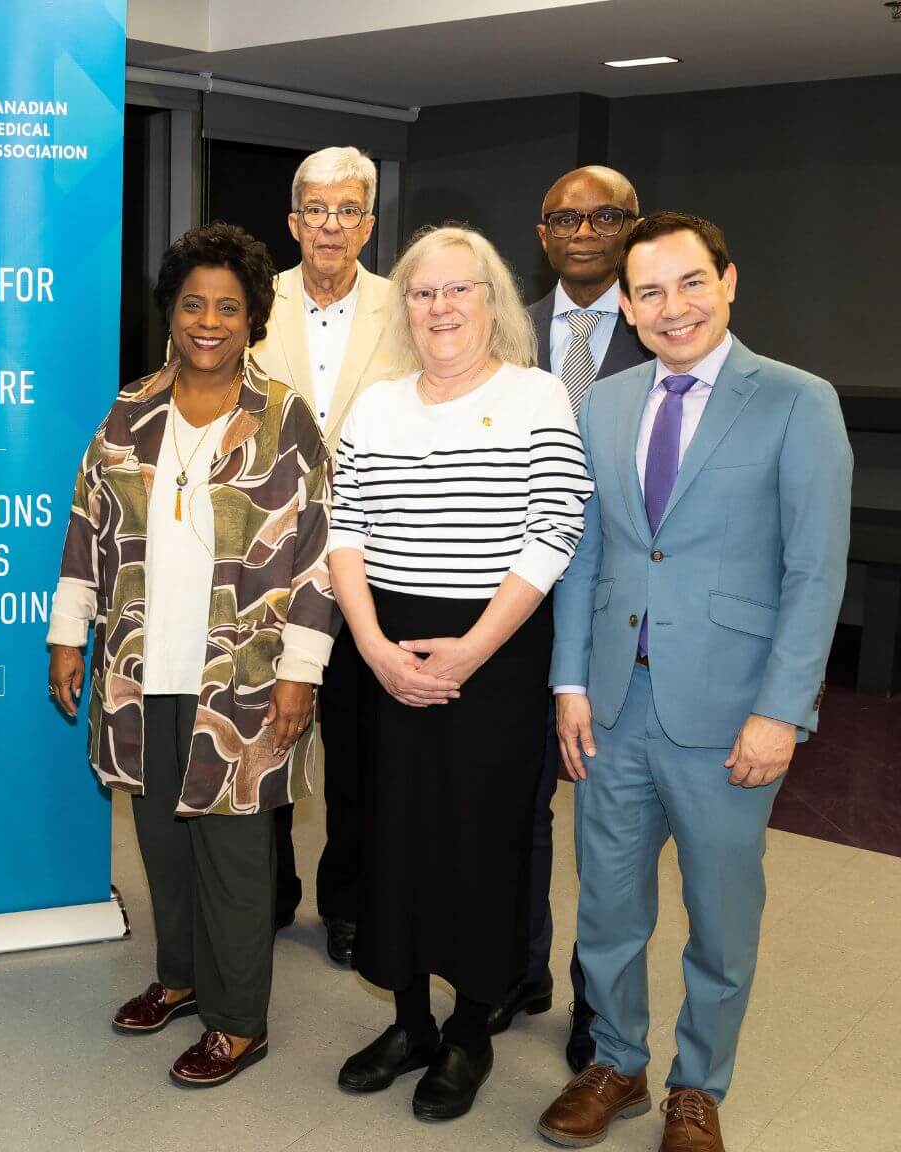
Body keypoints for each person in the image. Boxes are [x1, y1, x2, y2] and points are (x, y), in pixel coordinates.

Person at [537, 213, 852, 1152]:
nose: (672, 307)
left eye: (690, 284)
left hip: (729, 712)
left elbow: (816, 570)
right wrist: (567, 684)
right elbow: (584, 553)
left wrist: (781, 711)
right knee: (607, 906)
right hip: (612, 705)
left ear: (729, 282)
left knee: (720, 915)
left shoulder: (798, 400)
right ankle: (618, 1064)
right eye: (650, 292)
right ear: (626, 307)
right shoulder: (605, 402)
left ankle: (698, 1084)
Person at [51, 221, 337, 1090]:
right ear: (169, 313)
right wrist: (70, 631)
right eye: (192, 304)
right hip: (141, 667)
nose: (208, 321)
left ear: (253, 319)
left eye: (229, 307)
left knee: (236, 854)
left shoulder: (285, 416)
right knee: (160, 844)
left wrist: (302, 671)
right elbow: (88, 526)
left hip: (243, 679)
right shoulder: (130, 407)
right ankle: (179, 978)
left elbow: (317, 553)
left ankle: (238, 1020)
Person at [327, 225, 591, 1121]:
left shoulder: (536, 396)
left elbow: (554, 528)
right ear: (404, 308)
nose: (440, 307)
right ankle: (409, 1023)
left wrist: (474, 649)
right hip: (385, 641)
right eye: (422, 292)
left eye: (459, 290)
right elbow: (345, 533)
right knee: (392, 836)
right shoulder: (376, 406)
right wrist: (369, 645)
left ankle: (471, 1032)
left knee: (484, 842)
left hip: (499, 648)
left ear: (492, 301)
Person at [499, 164, 646, 1060]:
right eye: (564, 217)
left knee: (605, 820)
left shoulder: (664, 326)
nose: (583, 231)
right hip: (514, 600)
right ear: (543, 231)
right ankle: (518, 968)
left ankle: (600, 1003)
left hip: (622, 608)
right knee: (516, 801)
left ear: (630, 226)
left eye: (603, 217)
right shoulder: (503, 330)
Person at [246, 146, 395, 964]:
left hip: (377, 560)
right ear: (293, 220)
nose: (330, 226)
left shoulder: (407, 307)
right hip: (268, 563)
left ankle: (348, 902)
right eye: (316, 210)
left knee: (361, 747)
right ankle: (265, 893)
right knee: (268, 726)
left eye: (347, 211)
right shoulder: (246, 303)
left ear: (368, 223)